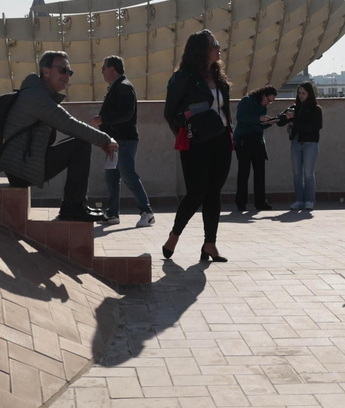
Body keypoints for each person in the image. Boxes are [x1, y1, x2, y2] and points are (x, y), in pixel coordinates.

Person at [0, 51, 118, 221]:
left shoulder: (37, 92)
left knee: (80, 143)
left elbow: (69, 124)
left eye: (69, 72)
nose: (67, 76)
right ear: (46, 71)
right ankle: (72, 207)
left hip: (21, 165)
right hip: (20, 170)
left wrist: (100, 140)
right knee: (80, 145)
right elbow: (69, 124)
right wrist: (106, 140)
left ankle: (77, 205)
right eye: (62, 70)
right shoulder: (36, 97)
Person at [162, 30, 234, 263]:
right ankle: (174, 235)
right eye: (214, 43)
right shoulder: (184, 77)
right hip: (197, 142)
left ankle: (209, 244)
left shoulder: (219, 77)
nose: (218, 47)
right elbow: (170, 113)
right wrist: (187, 133)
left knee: (214, 193)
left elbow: (224, 110)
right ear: (202, 48)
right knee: (196, 193)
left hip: (222, 140)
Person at [90, 56, 155, 226]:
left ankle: (147, 212)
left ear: (112, 69)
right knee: (111, 177)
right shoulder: (117, 87)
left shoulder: (124, 87)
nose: (102, 71)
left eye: (104, 68)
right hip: (114, 141)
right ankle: (112, 214)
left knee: (128, 174)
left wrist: (103, 119)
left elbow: (126, 113)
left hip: (124, 140)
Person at [233, 85, 281, 212]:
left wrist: (268, 123)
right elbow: (240, 117)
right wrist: (259, 118)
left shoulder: (263, 106)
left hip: (258, 141)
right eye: (268, 100)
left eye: (271, 102)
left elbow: (259, 126)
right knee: (244, 172)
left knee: (260, 173)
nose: (268, 103)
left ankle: (260, 202)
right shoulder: (246, 101)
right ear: (263, 95)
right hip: (244, 140)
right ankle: (241, 203)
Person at [282, 80, 323, 210]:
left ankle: (310, 200)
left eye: (303, 93)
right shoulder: (294, 108)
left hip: (310, 143)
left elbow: (315, 127)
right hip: (295, 142)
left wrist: (296, 123)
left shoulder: (316, 109)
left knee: (308, 173)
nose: (301, 96)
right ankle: (299, 200)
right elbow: (280, 121)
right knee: (297, 173)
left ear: (309, 94)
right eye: (299, 93)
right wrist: (286, 117)